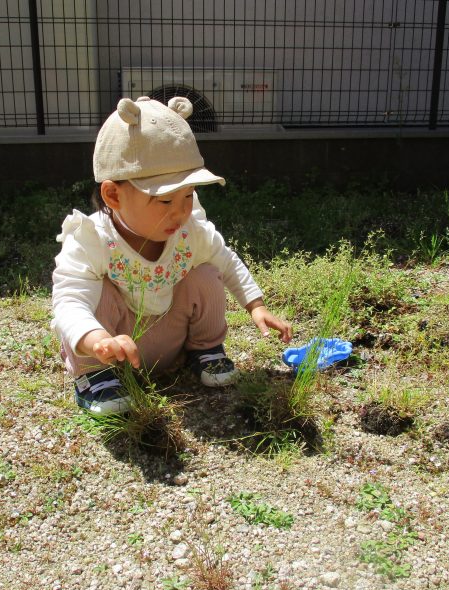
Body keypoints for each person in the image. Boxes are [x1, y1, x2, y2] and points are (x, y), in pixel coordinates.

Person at [51, 96, 292, 415]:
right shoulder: (92, 240)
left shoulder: (189, 232)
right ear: (113, 195)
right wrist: (95, 339)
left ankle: (206, 351)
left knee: (205, 274)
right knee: (98, 292)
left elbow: (228, 262)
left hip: (170, 341)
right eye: (165, 201)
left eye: (189, 195)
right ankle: (95, 377)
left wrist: (256, 306)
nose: (181, 211)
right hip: (112, 349)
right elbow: (70, 299)